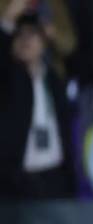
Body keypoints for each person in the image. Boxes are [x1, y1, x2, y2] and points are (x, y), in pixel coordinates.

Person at [0, 0, 76, 200]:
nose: (26, 41)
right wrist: (7, 22)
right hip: (17, 180)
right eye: (20, 35)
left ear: (43, 40)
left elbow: (73, 51)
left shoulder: (54, 79)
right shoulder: (8, 78)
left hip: (54, 175)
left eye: (32, 34)